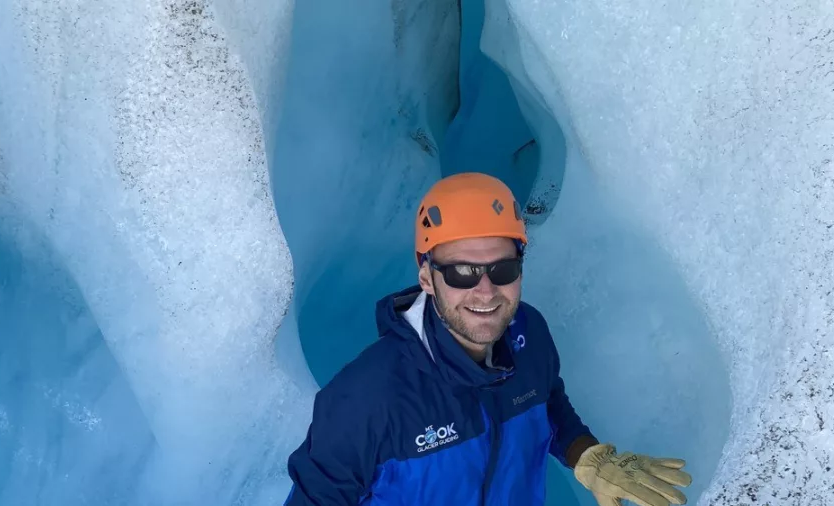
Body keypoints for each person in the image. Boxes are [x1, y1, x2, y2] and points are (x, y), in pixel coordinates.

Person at [284, 173, 692, 506]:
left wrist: (587, 456)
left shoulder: (528, 334)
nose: (485, 292)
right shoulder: (365, 397)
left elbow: (545, 400)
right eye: (461, 273)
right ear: (426, 276)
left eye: (502, 270)